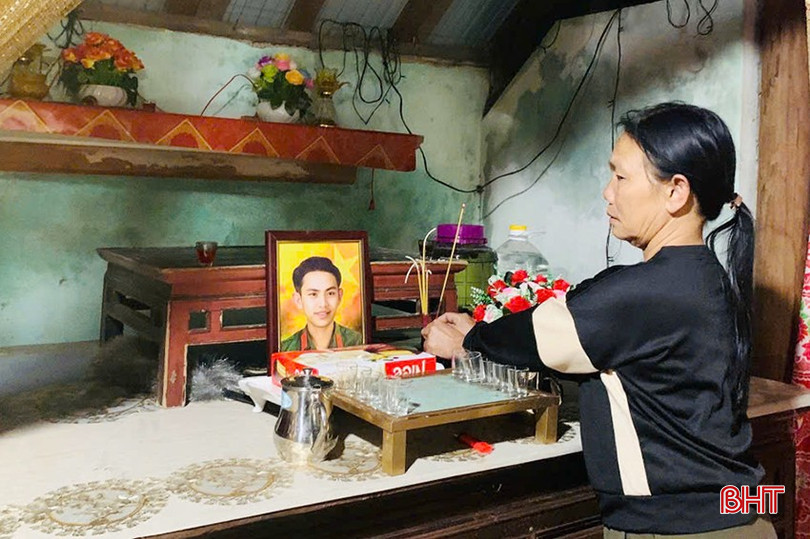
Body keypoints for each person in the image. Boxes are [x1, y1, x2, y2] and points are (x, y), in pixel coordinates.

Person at [422, 103, 776, 537]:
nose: (608, 192)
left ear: (676, 192)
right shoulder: (708, 277)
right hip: (743, 512)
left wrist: (466, 341)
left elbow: (540, 337)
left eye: (620, 177)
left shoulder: (645, 291)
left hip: (681, 528)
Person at [280, 256, 363, 351]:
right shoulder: (286, 349)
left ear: (339, 296)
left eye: (330, 293)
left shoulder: (357, 342)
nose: (323, 304)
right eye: (313, 294)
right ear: (298, 300)